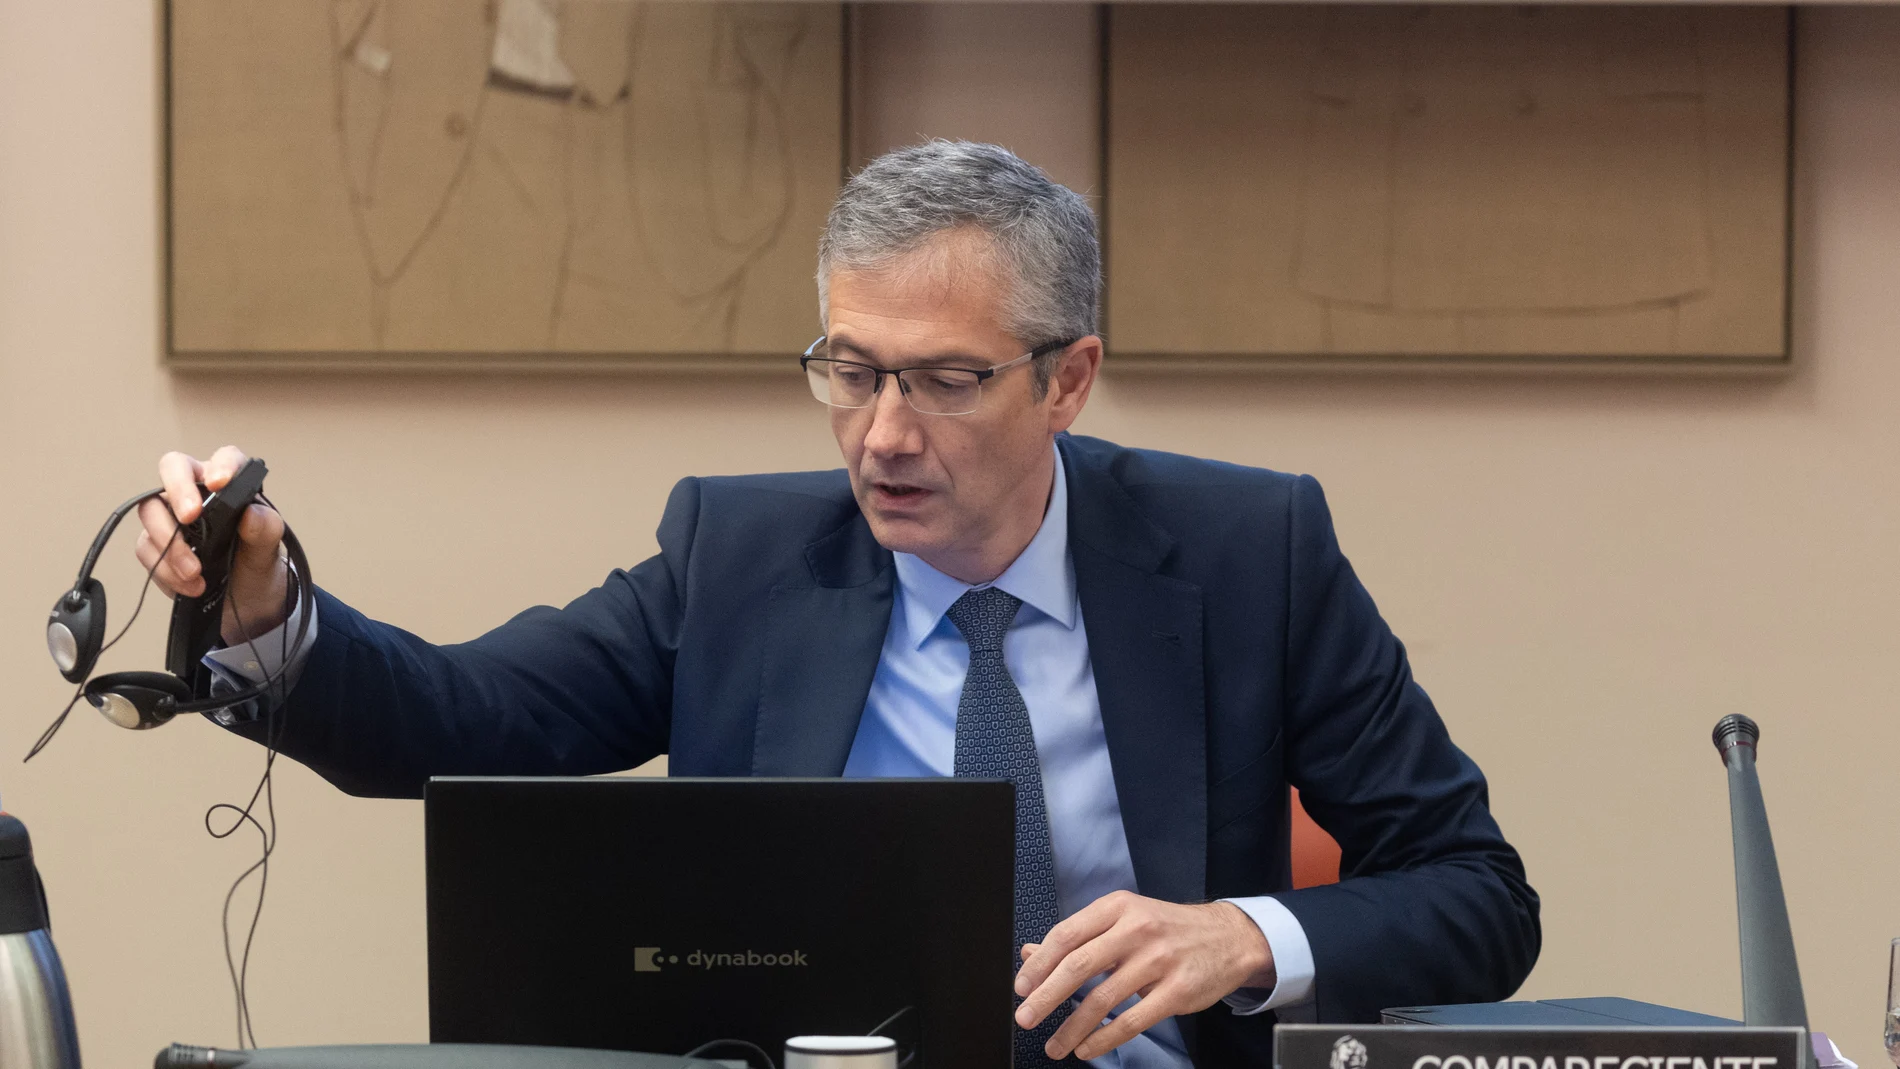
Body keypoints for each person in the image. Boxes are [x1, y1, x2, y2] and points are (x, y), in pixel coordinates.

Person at [133, 141, 1539, 1068]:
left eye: (941, 380)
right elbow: (463, 719)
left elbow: (1478, 895)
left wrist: (1249, 935)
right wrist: (267, 606)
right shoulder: (739, 555)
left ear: (1068, 379)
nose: (880, 434)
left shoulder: (1250, 550)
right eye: (850, 371)